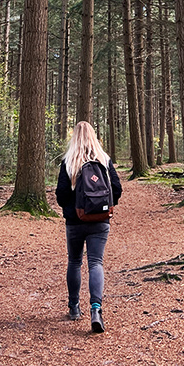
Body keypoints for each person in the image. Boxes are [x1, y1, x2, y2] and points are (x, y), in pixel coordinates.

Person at [55, 121, 122, 333]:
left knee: (75, 262)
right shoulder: (104, 159)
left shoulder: (69, 162)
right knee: (96, 263)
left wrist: (73, 207)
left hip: (75, 222)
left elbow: (61, 195)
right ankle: (96, 310)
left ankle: (74, 307)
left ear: (75, 137)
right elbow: (117, 189)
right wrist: (103, 206)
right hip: (100, 221)